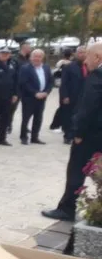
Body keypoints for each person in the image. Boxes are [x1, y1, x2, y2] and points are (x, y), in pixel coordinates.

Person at [41, 42, 102, 233]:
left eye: (88, 57)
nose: (86, 61)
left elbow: (87, 109)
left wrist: (78, 133)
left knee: (76, 170)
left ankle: (66, 208)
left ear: (98, 57)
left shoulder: (97, 77)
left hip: (90, 135)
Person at [18, 49, 52, 145]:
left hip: (42, 98)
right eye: (35, 56)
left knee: (38, 118)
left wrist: (46, 92)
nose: (37, 58)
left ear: (42, 58)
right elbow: (24, 83)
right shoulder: (25, 68)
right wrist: (35, 93)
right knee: (26, 118)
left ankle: (35, 137)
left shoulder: (46, 67)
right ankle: (24, 137)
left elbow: (50, 81)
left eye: (39, 56)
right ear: (31, 57)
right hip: (29, 98)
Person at [59, 47, 87, 144]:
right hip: (72, 96)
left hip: (85, 96)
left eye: (84, 52)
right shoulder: (69, 67)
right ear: (75, 54)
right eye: (80, 53)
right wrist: (65, 96)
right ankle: (67, 135)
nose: (82, 54)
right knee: (69, 116)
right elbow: (64, 83)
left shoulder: (90, 66)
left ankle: (78, 134)